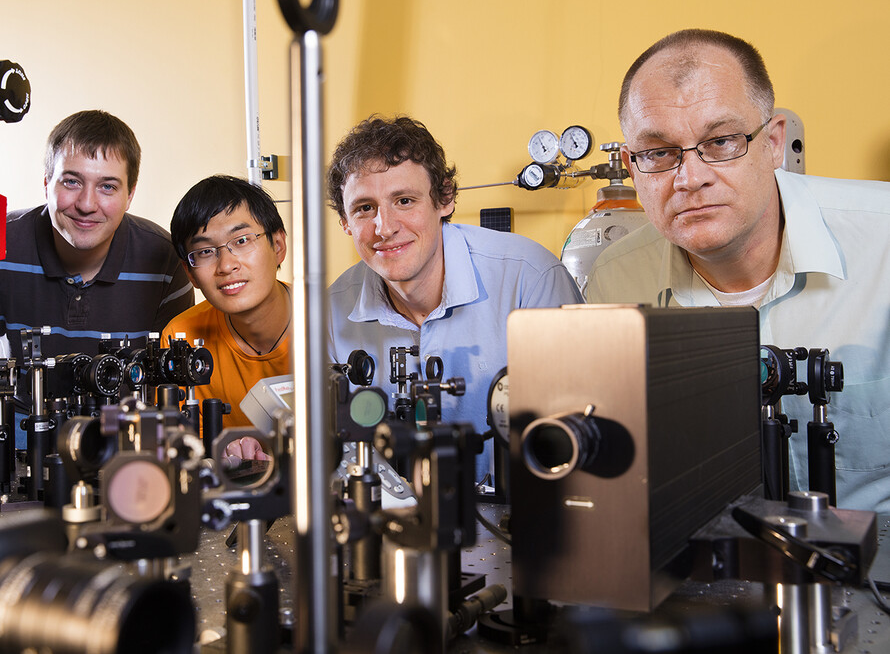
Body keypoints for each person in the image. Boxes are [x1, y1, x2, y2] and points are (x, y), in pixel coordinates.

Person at [584, 29, 890, 512]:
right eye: (659, 153)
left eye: (722, 141)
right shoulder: (616, 281)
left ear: (773, 142)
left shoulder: (883, 244)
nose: (690, 178)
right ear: (631, 165)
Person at [326, 115, 583, 480]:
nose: (385, 227)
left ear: (444, 199)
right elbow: (333, 451)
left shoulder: (529, 279)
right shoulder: (331, 312)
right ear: (345, 223)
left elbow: (581, 430)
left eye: (404, 200)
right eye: (364, 208)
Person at [0, 110, 194, 416]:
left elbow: (172, 382)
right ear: (46, 183)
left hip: (123, 426)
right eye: (71, 182)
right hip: (19, 420)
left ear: (130, 195)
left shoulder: (166, 261)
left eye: (108, 186)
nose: (87, 205)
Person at [163, 175, 291, 435]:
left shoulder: (331, 320)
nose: (226, 265)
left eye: (242, 241)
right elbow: (183, 445)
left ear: (278, 246)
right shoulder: (181, 340)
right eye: (205, 252)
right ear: (190, 274)